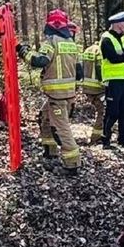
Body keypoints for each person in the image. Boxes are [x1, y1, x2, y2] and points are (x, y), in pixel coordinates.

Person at [29, 9, 83, 174]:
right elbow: (79, 72)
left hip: (57, 95)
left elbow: (40, 61)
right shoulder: (71, 43)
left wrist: (24, 52)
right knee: (44, 118)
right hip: (68, 94)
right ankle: (50, 149)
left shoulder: (51, 42)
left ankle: (72, 163)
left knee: (61, 129)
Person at [100, 10, 124, 148]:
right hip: (113, 80)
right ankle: (106, 139)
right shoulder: (106, 38)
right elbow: (113, 58)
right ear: (118, 24)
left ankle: (123, 138)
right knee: (112, 111)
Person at [81, 36, 105, 136]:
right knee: (102, 112)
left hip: (87, 86)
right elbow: (100, 69)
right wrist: (105, 83)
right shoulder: (100, 51)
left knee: (98, 110)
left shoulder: (87, 50)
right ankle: (97, 136)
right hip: (98, 87)